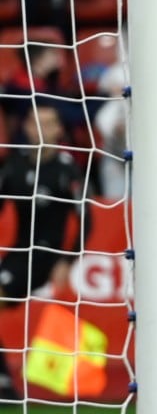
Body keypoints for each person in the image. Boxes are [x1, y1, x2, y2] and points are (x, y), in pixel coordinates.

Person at [0, 103, 91, 399]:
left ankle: (4, 381)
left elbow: (86, 218)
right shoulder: (15, 165)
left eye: (49, 123)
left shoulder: (67, 168)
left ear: (59, 130)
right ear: (26, 128)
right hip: (18, 252)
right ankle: (5, 383)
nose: (42, 129)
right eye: (36, 123)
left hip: (47, 255)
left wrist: (67, 260)